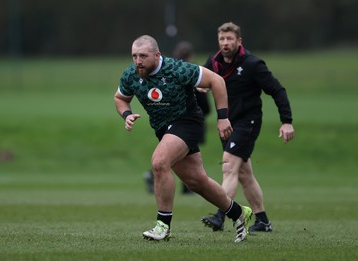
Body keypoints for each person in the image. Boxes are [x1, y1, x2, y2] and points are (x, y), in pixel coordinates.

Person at [114, 35, 252, 242]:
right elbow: (120, 98)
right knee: (197, 182)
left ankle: (163, 226)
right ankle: (238, 213)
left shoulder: (178, 69)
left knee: (159, 162)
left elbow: (217, 80)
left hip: (187, 123)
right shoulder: (131, 74)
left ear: (157, 55)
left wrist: (223, 118)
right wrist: (126, 114)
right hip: (164, 129)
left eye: (143, 55)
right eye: (134, 56)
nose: (138, 61)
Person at [201, 22, 295, 233]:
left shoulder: (252, 64)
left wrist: (286, 120)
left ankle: (220, 215)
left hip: (247, 122)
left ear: (239, 41)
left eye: (230, 39)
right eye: (222, 39)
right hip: (225, 123)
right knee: (244, 174)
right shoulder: (214, 62)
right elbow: (202, 82)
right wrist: (200, 87)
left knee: (228, 166)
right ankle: (263, 220)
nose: (225, 43)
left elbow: (277, 90)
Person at [143, 40, 210, 195]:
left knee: (176, 157)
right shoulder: (193, 73)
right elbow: (205, 106)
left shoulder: (165, 70)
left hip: (165, 122)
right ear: (190, 55)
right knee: (172, 157)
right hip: (190, 121)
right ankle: (182, 186)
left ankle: (179, 184)